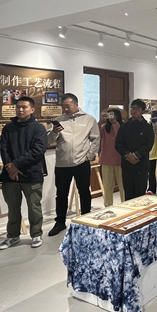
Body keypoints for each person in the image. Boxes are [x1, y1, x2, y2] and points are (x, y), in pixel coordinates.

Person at [0, 96, 47, 250]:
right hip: (10, 176)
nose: (20, 110)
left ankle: (36, 234)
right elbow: (4, 150)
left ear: (32, 109)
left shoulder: (39, 128)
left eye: (24, 107)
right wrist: (10, 167)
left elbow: (38, 150)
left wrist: (16, 165)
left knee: (34, 207)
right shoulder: (8, 128)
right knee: (13, 209)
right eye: (18, 107)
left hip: (32, 175)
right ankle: (12, 236)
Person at [47, 93, 100, 237]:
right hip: (62, 163)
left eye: (68, 106)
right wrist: (54, 132)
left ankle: (86, 219)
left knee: (84, 192)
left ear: (76, 105)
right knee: (61, 194)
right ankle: (60, 222)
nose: (65, 109)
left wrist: (90, 156)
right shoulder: (58, 120)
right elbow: (48, 140)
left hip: (81, 162)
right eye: (63, 106)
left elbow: (95, 140)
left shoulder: (88, 119)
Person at [115, 99, 155, 199]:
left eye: (137, 108)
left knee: (140, 193)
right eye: (132, 108)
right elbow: (118, 144)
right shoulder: (124, 126)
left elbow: (149, 144)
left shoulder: (147, 127)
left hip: (141, 163)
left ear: (142, 111)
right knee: (128, 192)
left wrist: (136, 155)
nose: (134, 111)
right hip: (127, 163)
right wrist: (127, 155)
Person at [99, 108, 125, 207]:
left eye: (113, 114)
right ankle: (107, 206)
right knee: (107, 186)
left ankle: (125, 205)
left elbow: (118, 135)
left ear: (118, 116)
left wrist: (114, 122)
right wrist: (101, 120)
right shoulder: (103, 127)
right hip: (106, 160)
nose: (111, 116)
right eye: (109, 114)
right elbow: (96, 135)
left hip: (121, 160)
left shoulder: (122, 126)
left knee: (123, 186)